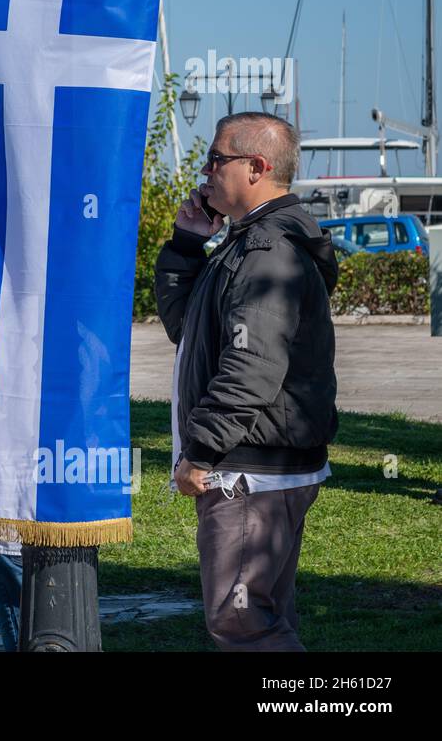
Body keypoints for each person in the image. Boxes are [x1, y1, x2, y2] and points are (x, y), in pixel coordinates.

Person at [155, 112, 338, 651]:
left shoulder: (266, 252)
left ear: (255, 167)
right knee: (261, 614)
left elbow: (250, 370)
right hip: (257, 467)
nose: (206, 171)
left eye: (217, 159)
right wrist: (187, 246)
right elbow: (185, 329)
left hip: (249, 474)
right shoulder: (246, 243)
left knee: (241, 621)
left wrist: (201, 453)